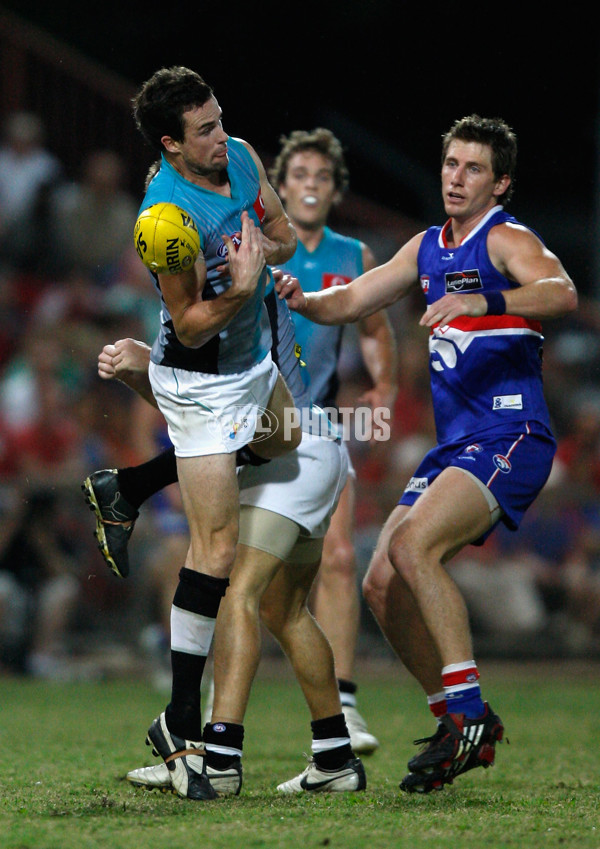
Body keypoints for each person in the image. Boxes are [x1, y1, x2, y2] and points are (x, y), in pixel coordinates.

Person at [276, 115, 578, 793]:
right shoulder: (424, 247)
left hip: (511, 435)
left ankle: (469, 712)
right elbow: (354, 296)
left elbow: (562, 292)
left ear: (499, 181)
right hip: (456, 446)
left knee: (413, 545)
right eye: (449, 163)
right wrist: (305, 297)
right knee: (382, 583)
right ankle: (455, 721)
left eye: (472, 167)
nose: (455, 176)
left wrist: (484, 295)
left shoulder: (506, 238)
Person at [99, 65, 301, 800]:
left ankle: (128, 485)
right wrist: (241, 286)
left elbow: (279, 233)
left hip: (254, 359)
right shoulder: (164, 215)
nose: (222, 137)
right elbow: (186, 322)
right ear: (170, 144)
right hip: (200, 382)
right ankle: (181, 723)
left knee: (285, 437)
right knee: (213, 550)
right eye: (205, 130)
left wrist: (263, 262)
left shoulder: (243, 157)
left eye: (220, 118)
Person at [89, 282, 366, 797]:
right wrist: (146, 367)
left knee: (235, 590)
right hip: (318, 446)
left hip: (288, 457)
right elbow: (217, 417)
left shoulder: (219, 298)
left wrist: (143, 367)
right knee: (284, 611)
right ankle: (335, 758)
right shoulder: (241, 281)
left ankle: (217, 758)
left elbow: (214, 415)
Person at [269, 128, 398, 753]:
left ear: (334, 187)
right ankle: (212, 704)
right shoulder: (259, 245)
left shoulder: (354, 253)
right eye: (300, 174)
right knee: (233, 565)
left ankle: (343, 708)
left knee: (341, 557)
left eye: (322, 175)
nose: (312, 184)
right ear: (281, 185)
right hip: (255, 422)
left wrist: (384, 385)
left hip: (319, 418)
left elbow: (374, 327)